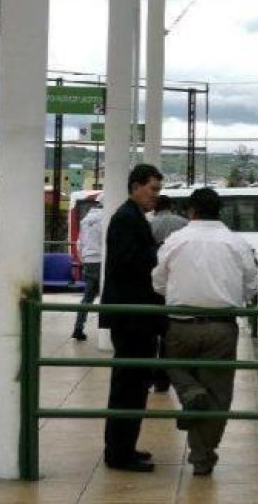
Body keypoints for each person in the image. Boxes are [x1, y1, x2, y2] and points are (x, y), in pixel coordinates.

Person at [152, 187, 258, 476]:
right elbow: (251, 286)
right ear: (219, 210)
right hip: (221, 328)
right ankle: (202, 458)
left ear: (191, 211)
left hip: (180, 325)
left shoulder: (175, 240)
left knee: (173, 364)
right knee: (218, 395)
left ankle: (189, 390)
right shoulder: (236, 242)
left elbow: (158, 283)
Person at [99, 164, 166, 473]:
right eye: (152, 189)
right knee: (129, 385)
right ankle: (118, 452)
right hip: (131, 317)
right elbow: (129, 263)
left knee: (136, 385)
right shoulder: (126, 219)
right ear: (136, 186)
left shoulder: (133, 217)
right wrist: (158, 257)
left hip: (135, 317)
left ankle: (125, 447)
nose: (156, 196)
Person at [71, 199, 104, 341]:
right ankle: (107, 333)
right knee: (107, 297)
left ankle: (78, 328)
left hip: (89, 260)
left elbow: (79, 243)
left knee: (87, 298)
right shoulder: (106, 218)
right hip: (102, 260)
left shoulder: (85, 220)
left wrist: (83, 258)